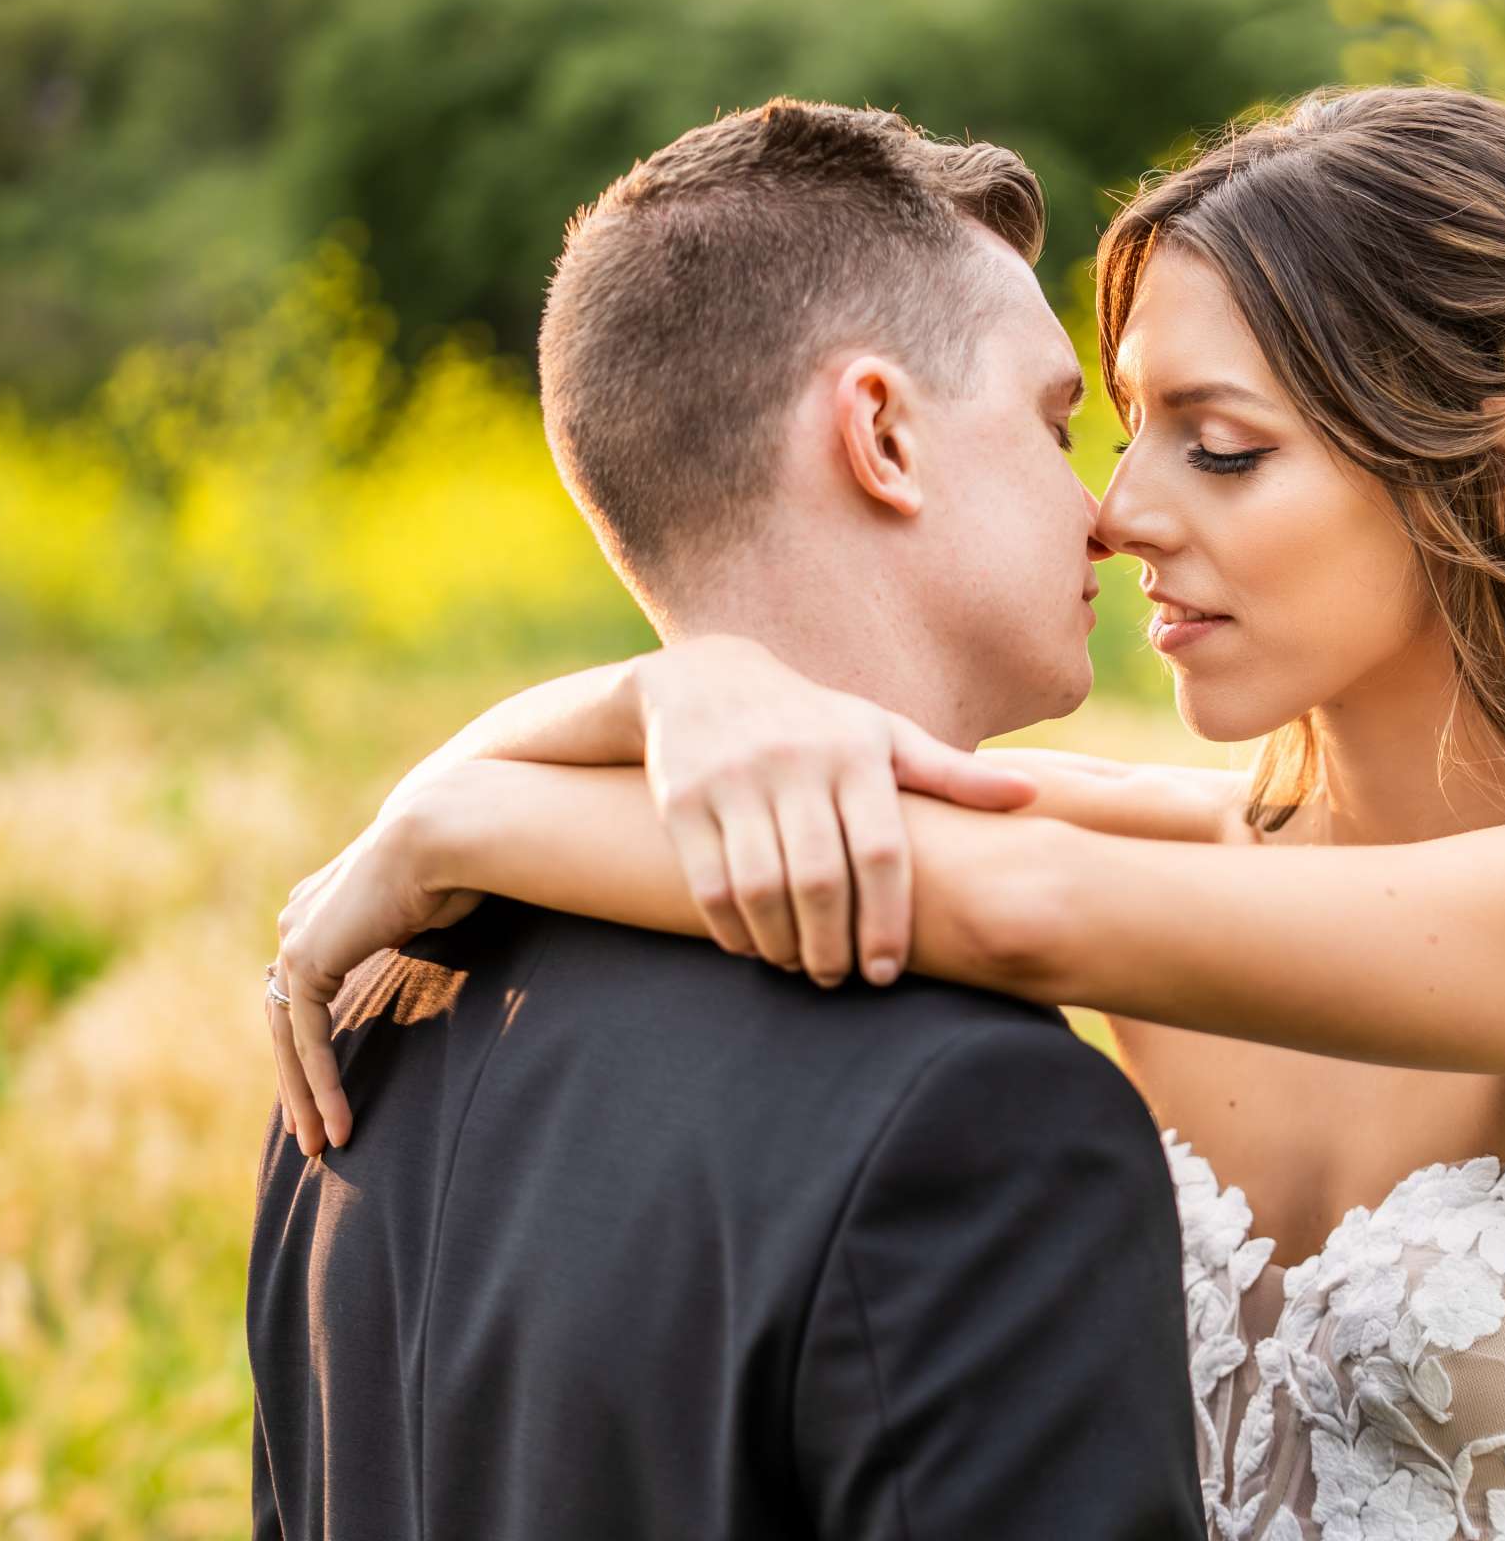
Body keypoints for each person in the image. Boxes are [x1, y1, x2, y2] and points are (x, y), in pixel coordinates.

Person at [276, 86, 1505, 1539]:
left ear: (1487, 474)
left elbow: (1000, 896)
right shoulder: (1208, 851)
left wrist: (449, 835)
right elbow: (879, 804)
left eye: (1224, 450)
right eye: (1119, 431)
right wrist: (653, 701)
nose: (1124, 512)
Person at [247, 99, 1208, 1541]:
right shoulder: (980, 1118)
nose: (1106, 513)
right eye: (1055, 422)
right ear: (880, 432)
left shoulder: (371, 1002)